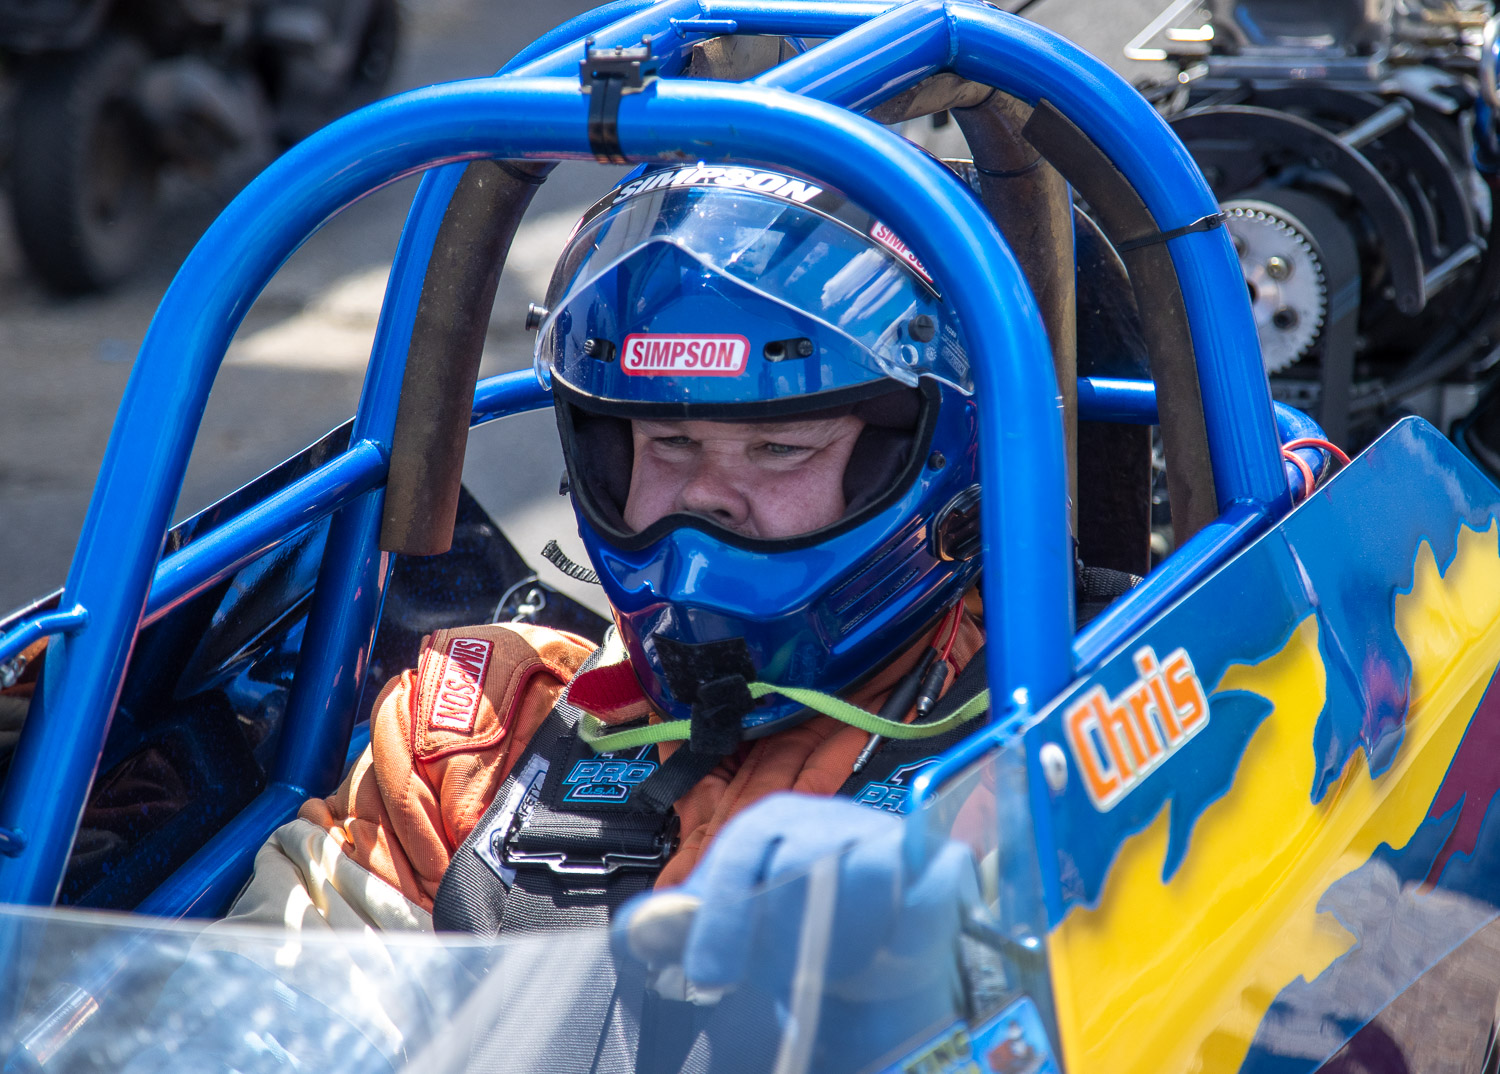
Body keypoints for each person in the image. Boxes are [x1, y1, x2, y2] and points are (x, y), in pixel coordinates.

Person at [219, 162, 995, 1067]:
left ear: (917, 459)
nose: (703, 498)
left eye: (780, 446)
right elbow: (256, 1022)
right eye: (669, 440)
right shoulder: (473, 732)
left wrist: (959, 975)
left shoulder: (1068, 738)